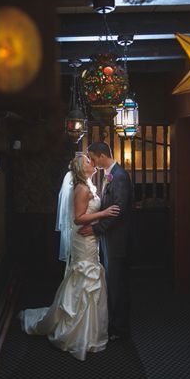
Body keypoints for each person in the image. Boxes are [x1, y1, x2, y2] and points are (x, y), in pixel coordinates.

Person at [19, 153, 120, 360]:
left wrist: (98, 222)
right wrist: (103, 214)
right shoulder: (82, 188)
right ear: (81, 169)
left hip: (90, 238)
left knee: (90, 276)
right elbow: (78, 218)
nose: (91, 162)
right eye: (87, 161)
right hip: (82, 239)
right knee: (85, 276)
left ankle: (91, 332)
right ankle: (76, 332)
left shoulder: (90, 185)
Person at [80, 142, 134, 340]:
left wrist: (95, 229)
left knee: (117, 285)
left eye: (93, 158)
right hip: (108, 238)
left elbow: (117, 210)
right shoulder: (108, 174)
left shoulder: (119, 176)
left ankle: (120, 329)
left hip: (117, 240)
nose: (92, 163)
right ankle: (113, 323)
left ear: (102, 155)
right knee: (112, 283)